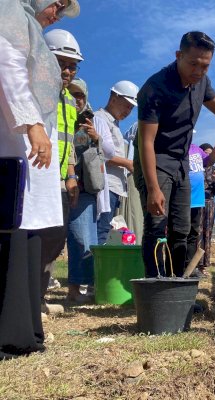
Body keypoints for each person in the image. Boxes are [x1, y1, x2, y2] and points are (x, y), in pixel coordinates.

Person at [134, 31, 215, 277]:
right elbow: (145, 141)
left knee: (183, 228)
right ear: (179, 55)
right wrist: (153, 187)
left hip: (182, 163)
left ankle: (177, 286)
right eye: (193, 64)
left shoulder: (201, 82)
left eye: (205, 66)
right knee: (157, 227)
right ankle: (156, 291)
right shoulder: (155, 88)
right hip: (156, 161)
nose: (198, 71)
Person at [0, 0, 80, 360]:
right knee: (11, 229)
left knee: (26, 233)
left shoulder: (26, 22)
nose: (58, 12)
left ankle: (25, 328)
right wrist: (32, 124)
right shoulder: (10, 14)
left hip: (26, 149)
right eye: (58, 3)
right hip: (14, 139)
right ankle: (10, 333)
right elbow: (9, 68)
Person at [39, 28, 85, 303]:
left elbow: (68, 143)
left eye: (72, 66)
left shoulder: (69, 101)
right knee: (34, 239)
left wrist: (71, 176)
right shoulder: (36, 92)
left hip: (58, 179)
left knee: (55, 239)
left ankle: (39, 296)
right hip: (35, 176)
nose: (67, 71)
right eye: (61, 64)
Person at [66, 77, 115, 302]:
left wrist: (97, 137)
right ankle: (74, 289)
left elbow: (108, 152)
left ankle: (82, 287)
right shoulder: (61, 116)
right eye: (72, 94)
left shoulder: (91, 119)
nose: (76, 99)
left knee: (85, 238)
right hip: (68, 182)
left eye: (80, 95)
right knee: (73, 237)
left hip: (87, 188)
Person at [95, 80, 139, 245]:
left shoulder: (114, 124)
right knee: (102, 231)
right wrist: (128, 163)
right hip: (105, 186)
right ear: (114, 98)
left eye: (131, 108)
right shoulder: (100, 119)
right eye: (126, 105)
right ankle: (95, 269)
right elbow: (101, 153)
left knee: (108, 232)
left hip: (115, 187)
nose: (128, 111)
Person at [185, 140, 215, 276]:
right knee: (196, 232)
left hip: (209, 202)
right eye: (206, 153)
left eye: (210, 154)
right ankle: (194, 263)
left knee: (207, 233)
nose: (208, 156)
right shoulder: (196, 169)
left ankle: (204, 265)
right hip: (197, 200)